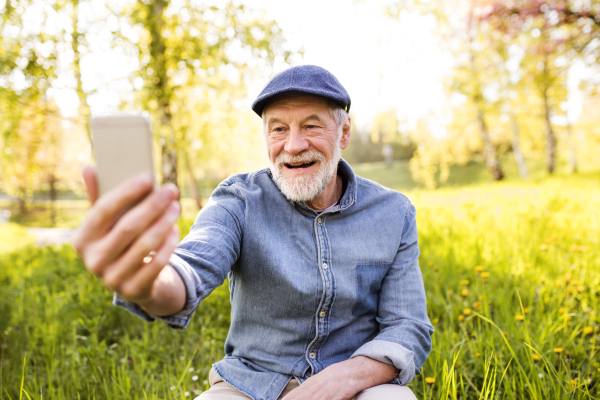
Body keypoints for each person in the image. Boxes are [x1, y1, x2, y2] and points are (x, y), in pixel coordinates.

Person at [72, 65, 433, 400]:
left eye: (311, 126)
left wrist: (344, 378)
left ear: (344, 133)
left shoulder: (393, 212)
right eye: (278, 129)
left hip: (359, 387)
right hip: (249, 387)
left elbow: (407, 325)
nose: (293, 146)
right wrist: (151, 282)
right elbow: (192, 264)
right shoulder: (238, 200)